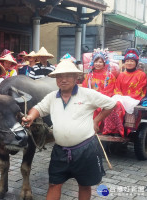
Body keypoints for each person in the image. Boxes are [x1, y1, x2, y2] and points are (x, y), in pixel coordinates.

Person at [22, 59, 116, 200]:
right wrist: (30, 116)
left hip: (85, 149)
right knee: (54, 184)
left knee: (84, 185)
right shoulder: (52, 97)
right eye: (60, 76)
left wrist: (96, 120)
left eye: (68, 76)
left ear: (76, 78)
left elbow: (111, 104)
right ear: (56, 79)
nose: (63, 79)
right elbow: (39, 108)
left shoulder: (87, 94)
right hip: (60, 151)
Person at [103, 48, 147, 136]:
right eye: (127, 61)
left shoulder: (141, 75)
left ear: (136, 63)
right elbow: (117, 88)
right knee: (111, 103)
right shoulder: (121, 74)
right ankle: (111, 128)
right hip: (121, 97)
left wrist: (126, 98)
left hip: (134, 98)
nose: (129, 63)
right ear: (124, 62)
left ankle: (119, 130)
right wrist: (121, 96)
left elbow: (140, 89)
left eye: (132, 61)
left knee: (118, 105)